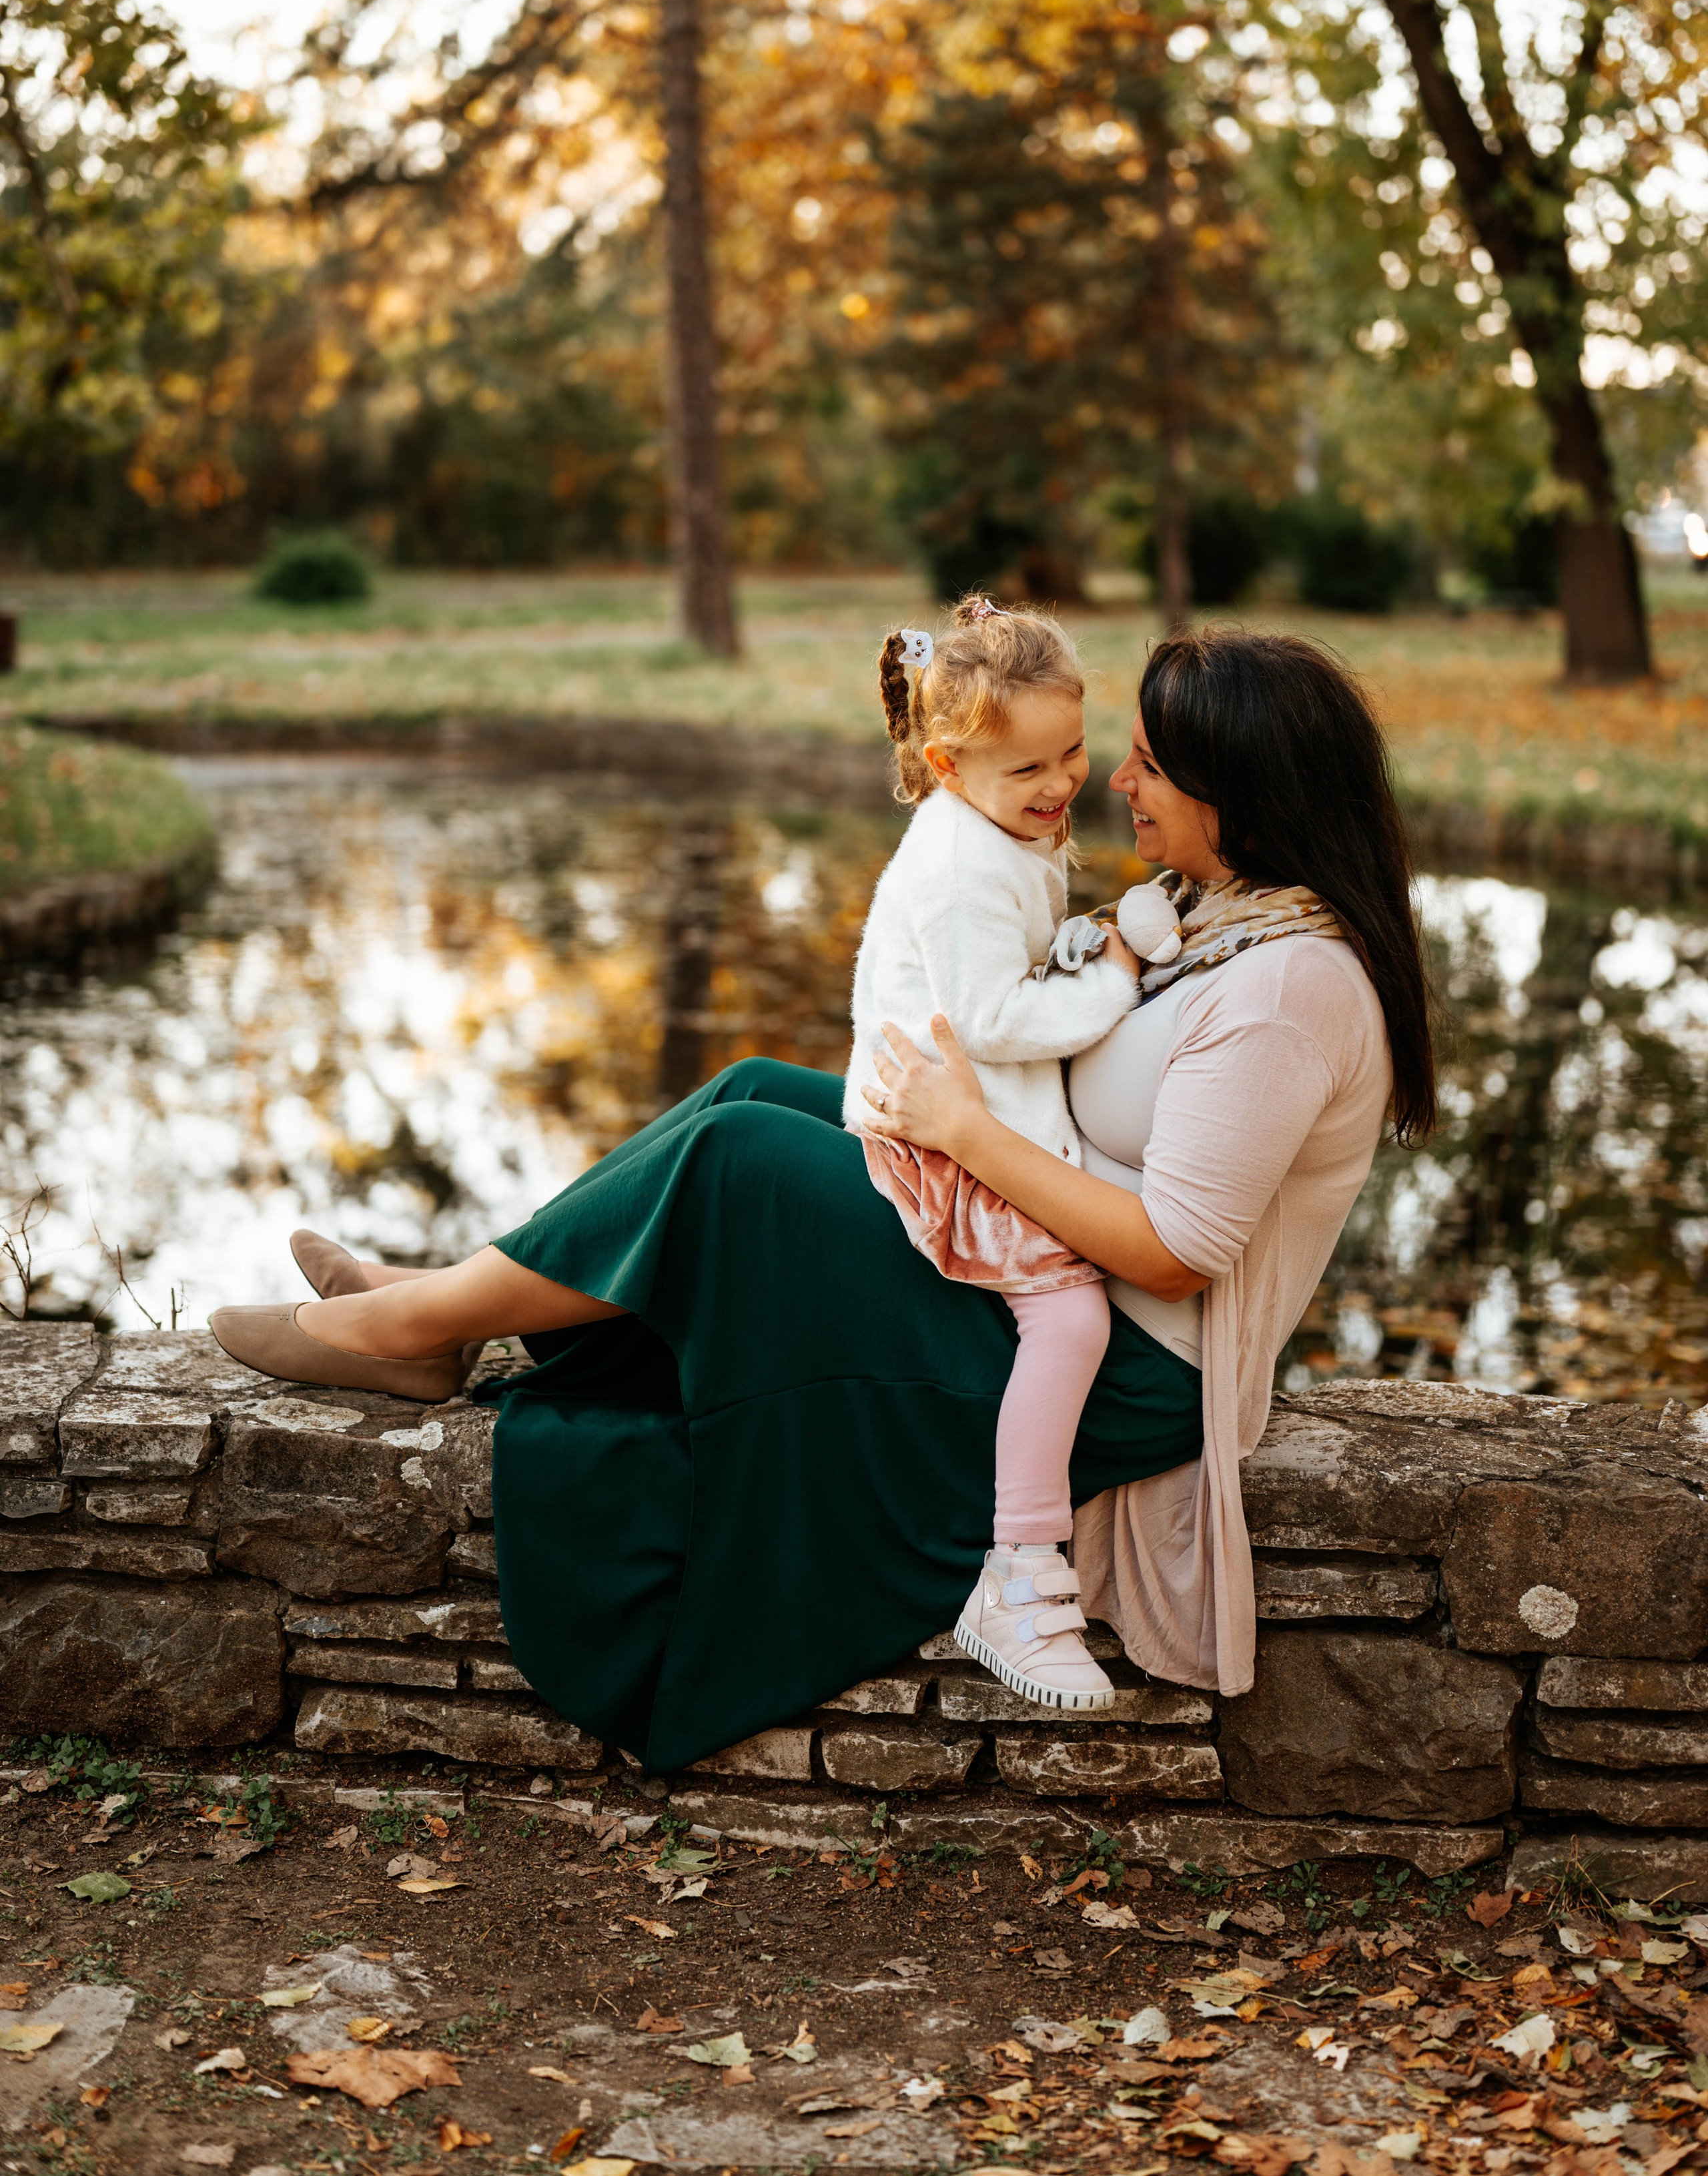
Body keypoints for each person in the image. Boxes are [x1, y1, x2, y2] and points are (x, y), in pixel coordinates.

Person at [208, 627, 1432, 1772]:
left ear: (1249, 793)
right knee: (760, 1090)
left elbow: (1173, 1256)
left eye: (1154, 764)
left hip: (1119, 1364)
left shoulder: (1290, 993)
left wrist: (960, 1128)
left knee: (741, 1159)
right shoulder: (1238, 918)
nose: (1118, 779)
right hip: (1041, 1263)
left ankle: (407, 1331)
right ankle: (444, 1301)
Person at [849, 593, 1180, 1715]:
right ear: (947, 766)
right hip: (941, 1124)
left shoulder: (1004, 829)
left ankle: (1024, 1564)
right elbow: (991, 1020)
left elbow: (1016, 965)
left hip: (975, 1101)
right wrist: (1115, 979)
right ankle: (1021, 1575)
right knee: (1072, 1314)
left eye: (1073, 752)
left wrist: (1077, 942)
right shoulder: (960, 864)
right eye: (1026, 770)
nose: (1059, 786)